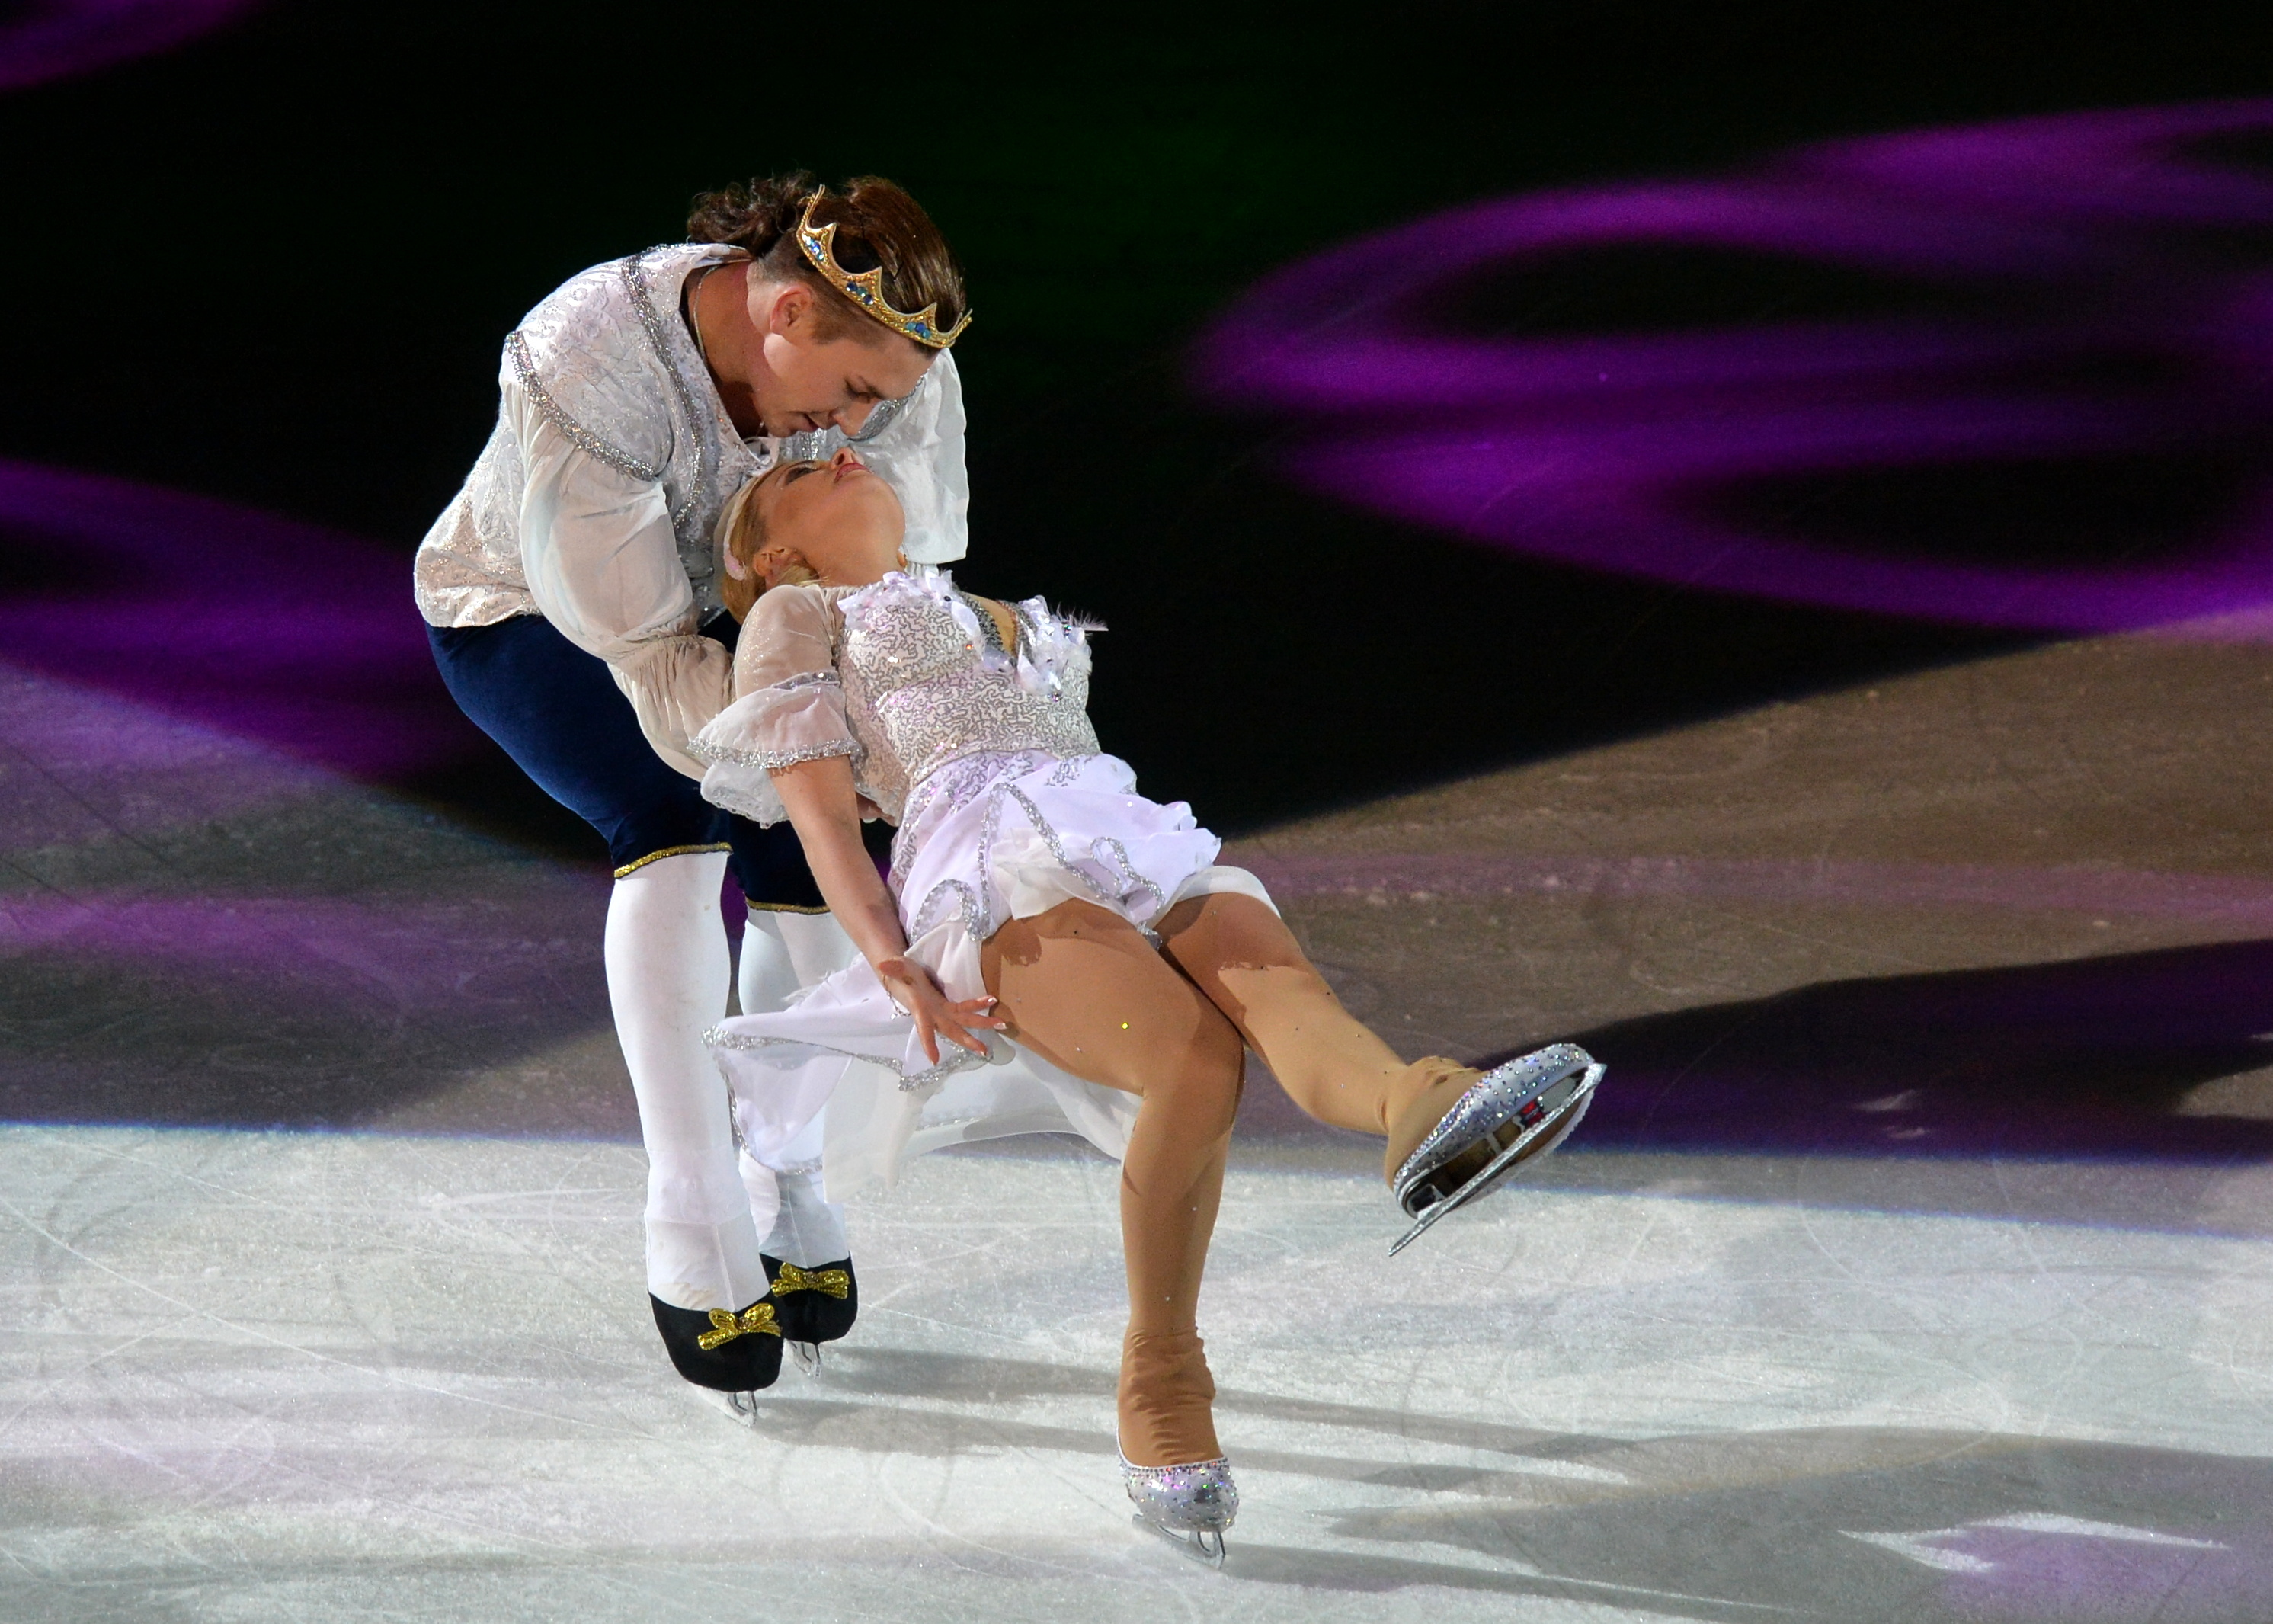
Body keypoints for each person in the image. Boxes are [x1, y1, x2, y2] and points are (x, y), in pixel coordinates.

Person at [690, 446, 1605, 1564]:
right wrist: (891, 960)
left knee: (1282, 997)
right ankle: (1162, 1381)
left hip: (1126, 829)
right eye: (799, 474)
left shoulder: (975, 604)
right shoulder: (798, 613)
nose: (840, 452)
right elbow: (825, 817)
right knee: (1192, 1064)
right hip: (992, 867)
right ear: (773, 552)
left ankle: (1425, 1107)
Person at [412, 175, 971, 1393]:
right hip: (546, 619)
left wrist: (867, 746)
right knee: (678, 820)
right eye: (854, 393)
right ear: (786, 316)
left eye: (884, 401)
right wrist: (809, 759)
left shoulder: (892, 361)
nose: (863, 424)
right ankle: (694, 1208)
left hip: (765, 617)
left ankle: (787, 1169)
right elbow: (651, 653)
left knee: (821, 854)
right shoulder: (590, 352)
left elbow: (887, 580)